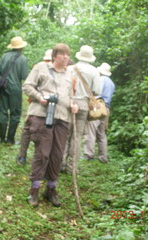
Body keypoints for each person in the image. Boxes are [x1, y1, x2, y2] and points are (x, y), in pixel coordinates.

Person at [22, 44, 78, 207]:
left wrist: (74, 105)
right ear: (54, 56)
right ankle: (34, 189)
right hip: (42, 115)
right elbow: (27, 86)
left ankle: (51, 189)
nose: (65, 57)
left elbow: (71, 96)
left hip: (62, 118)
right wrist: (40, 98)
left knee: (57, 155)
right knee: (43, 153)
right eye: (62, 54)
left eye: (67, 54)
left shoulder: (70, 75)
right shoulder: (41, 68)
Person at [61, 45, 101, 174]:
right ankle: (72, 167)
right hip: (83, 105)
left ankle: (60, 163)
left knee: (65, 134)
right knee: (77, 136)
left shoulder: (70, 68)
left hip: (69, 103)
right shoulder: (94, 71)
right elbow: (97, 91)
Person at [17, 49, 53, 165]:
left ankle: (22, 156)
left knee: (27, 131)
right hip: (50, 108)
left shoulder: (38, 67)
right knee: (44, 134)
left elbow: (29, 86)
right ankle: (39, 161)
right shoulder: (56, 71)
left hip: (35, 106)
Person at [0, 36, 28, 144]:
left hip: (3, 86)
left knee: (2, 111)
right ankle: (10, 139)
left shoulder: (4, 56)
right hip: (15, 89)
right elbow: (24, 76)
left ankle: (1, 138)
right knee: (15, 113)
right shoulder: (23, 59)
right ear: (21, 47)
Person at [84, 63, 115, 163]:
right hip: (106, 108)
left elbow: (96, 93)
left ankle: (89, 154)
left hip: (98, 106)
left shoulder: (101, 80)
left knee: (91, 130)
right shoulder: (111, 83)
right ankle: (103, 157)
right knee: (102, 133)